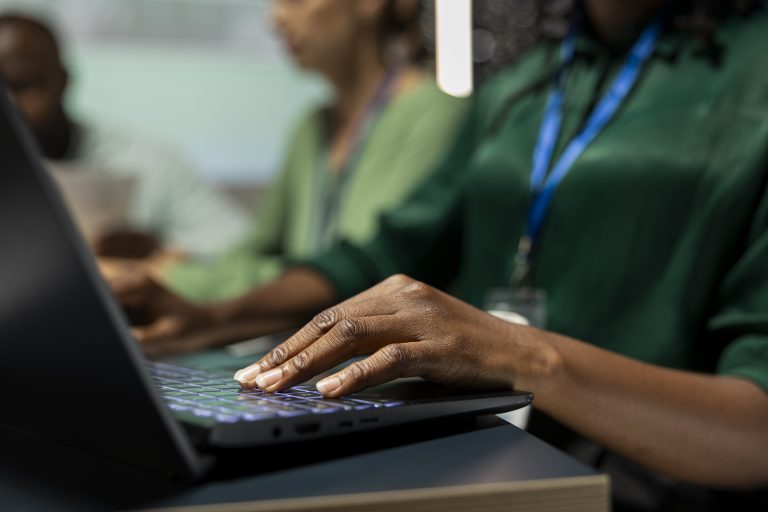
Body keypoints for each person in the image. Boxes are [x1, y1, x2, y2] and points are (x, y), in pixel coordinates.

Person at [114, 0, 768, 509]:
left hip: (635, 481)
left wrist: (523, 356)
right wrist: (213, 315)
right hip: (485, 447)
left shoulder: (751, 73)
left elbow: (755, 433)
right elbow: (386, 253)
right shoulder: (532, 81)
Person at [164, 0, 467, 302]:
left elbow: (364, 275)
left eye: (295, 1)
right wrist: (166, 273)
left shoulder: (435, 115)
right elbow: (252, 252)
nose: (275, 19)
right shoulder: (311, 127)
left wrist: (181, 280)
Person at [0, 13, 249, 259]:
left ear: (63, 81)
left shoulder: (145, 161)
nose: (10, 106)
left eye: (22, 86)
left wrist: (160, 250)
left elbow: (240, 246)